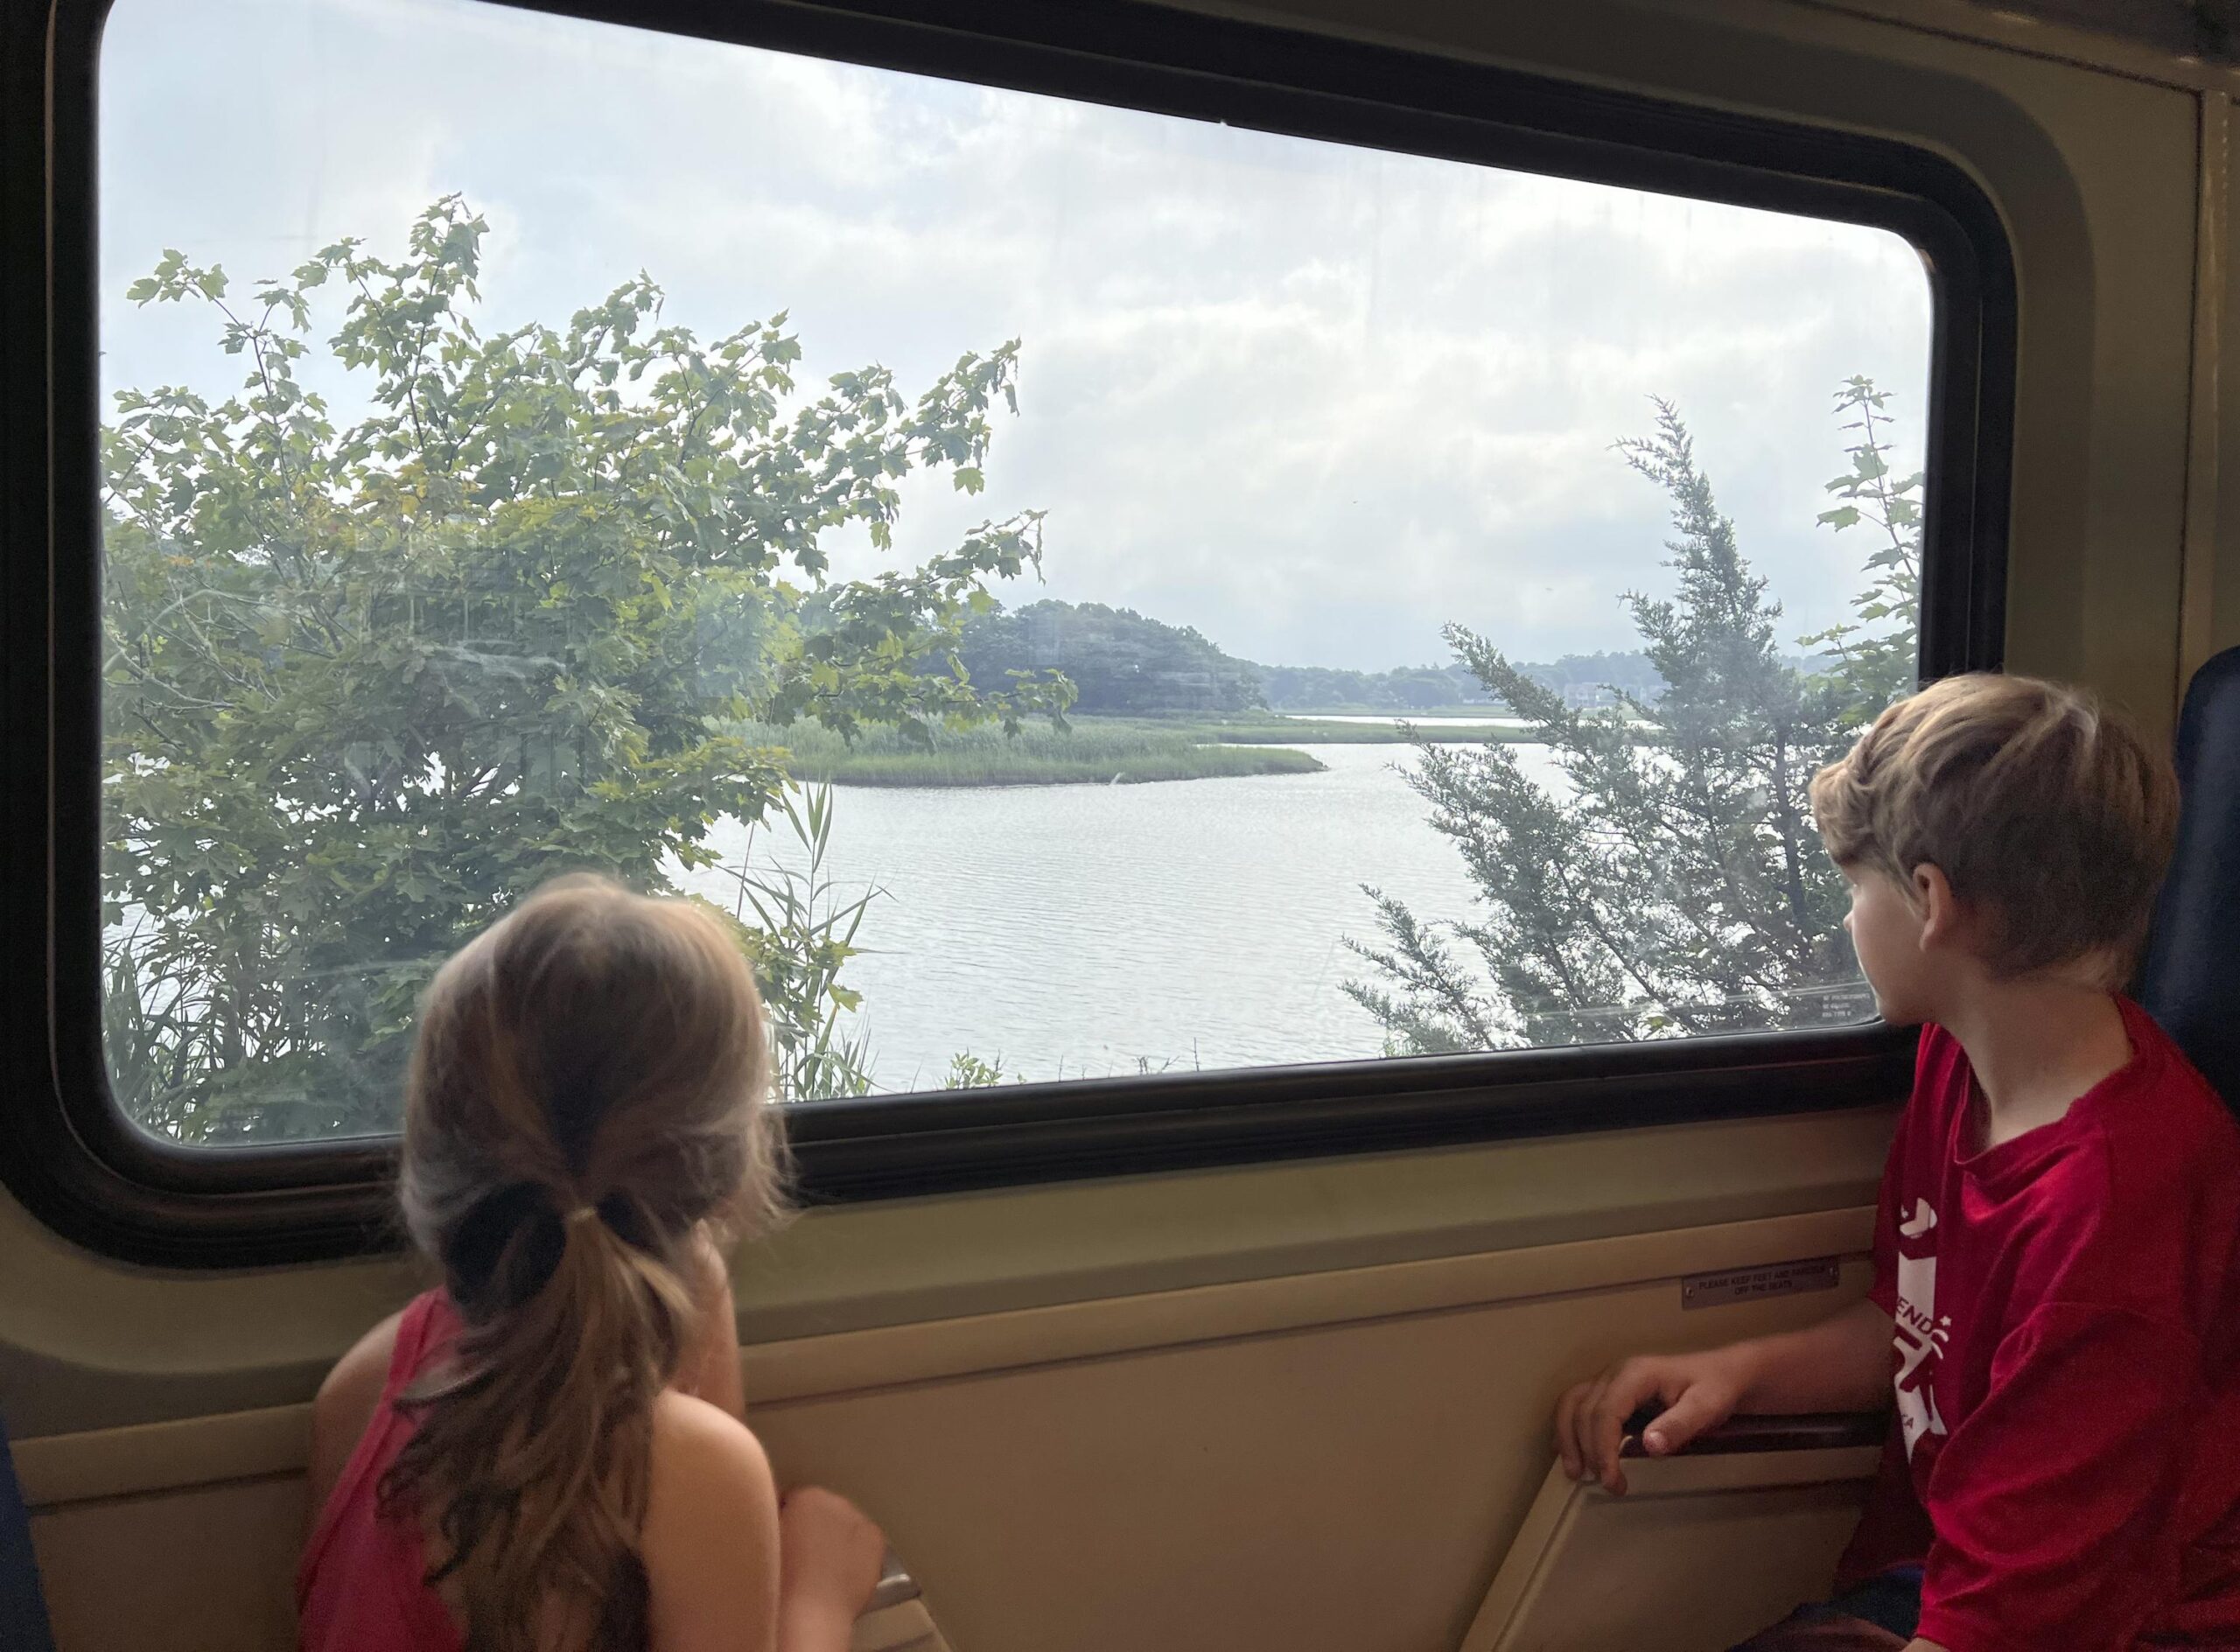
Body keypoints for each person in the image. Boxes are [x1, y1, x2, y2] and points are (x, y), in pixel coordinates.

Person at [1552, 673, 2240, 1651]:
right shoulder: (1960, 1061)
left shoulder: (2111, 1216)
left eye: (1853, 889)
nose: (1846, 922)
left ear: (1929, 902)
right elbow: (1920, 1324)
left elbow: (2028, 1613)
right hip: (1951, 1580)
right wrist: (1738, 1372)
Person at [299, 875, 887, 1652]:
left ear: (439, 1161)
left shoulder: (363, 1389)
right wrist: (818, 1602)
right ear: (725, 1177)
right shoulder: (694, 1479)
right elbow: (693, 1488)